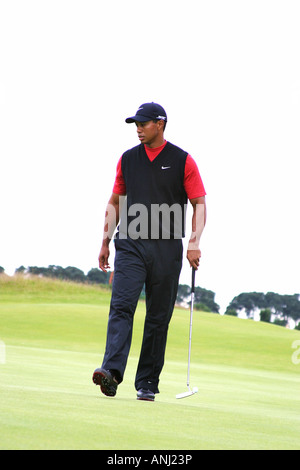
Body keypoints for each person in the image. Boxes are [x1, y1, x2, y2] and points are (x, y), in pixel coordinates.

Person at [93, 102, 206, 401]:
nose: (139, 129)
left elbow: (200, 204)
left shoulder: (183, 160)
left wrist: (194, 241)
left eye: (143, 123)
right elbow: (115, 201)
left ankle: (147, 383)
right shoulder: (128, 159)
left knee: (158, 317)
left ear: (160, 124)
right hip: (130, 244)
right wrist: (105, 240)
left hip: (168, 247)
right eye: (136, 124)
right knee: (122, 304)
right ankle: (112, 372)